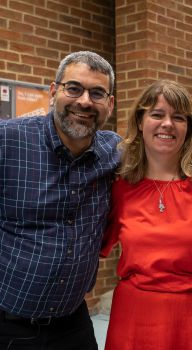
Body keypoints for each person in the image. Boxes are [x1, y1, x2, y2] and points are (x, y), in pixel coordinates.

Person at [0, 51, 121, 350]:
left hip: (73, 324)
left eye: (97, 93)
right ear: (54, 92)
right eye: (74, 88)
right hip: (9, 326)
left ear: (110, 103)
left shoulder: (115, 151)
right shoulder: (8, 141)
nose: (84, 101)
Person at [100, 79, 192, 349]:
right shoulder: (120, 186)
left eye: (178, 117)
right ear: (140, 122)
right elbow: (93, 245)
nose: (167, 123)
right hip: (133, 320)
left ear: (188, 128)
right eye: (157, 114)